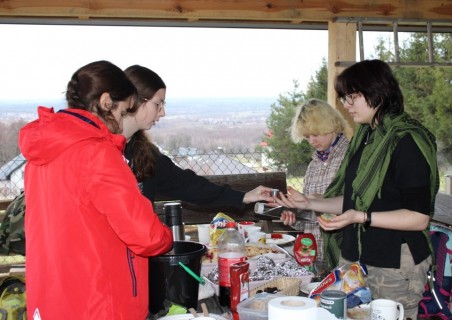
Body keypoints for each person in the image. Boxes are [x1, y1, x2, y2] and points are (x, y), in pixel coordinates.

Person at [277, 59, 439, 319]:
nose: (346, 105)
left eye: (353, 97)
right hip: (356, 256)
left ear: (379, 92)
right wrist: (308, 203)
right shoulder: (366, 138)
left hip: (394, 262)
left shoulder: (406, 141)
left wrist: (361, 217)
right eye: (344, 98)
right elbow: (352, 200)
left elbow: (419, 218)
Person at [18, 60, 173, 320]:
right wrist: (165, 235)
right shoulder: (97, 152)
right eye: (123, 113)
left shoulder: (42, 151)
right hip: (98, 302)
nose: (120, 124)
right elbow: (146, 235)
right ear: (105, 102)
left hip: (52, 298)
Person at [122, 65, 274, 208]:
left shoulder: (144, 153)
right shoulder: (104, 150)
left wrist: (242, 197)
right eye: (158, 104)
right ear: (135, 101)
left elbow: (187, 185)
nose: (162, 113)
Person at [288, 98, 349, 277]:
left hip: (342, 254)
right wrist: (294, 216)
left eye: (316, 133)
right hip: (314, 254)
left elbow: (355, 204)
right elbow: (308, 214)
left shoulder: (350, 158)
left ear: (331, 124)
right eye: (307, 136)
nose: (312, 140)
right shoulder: (313, 165)